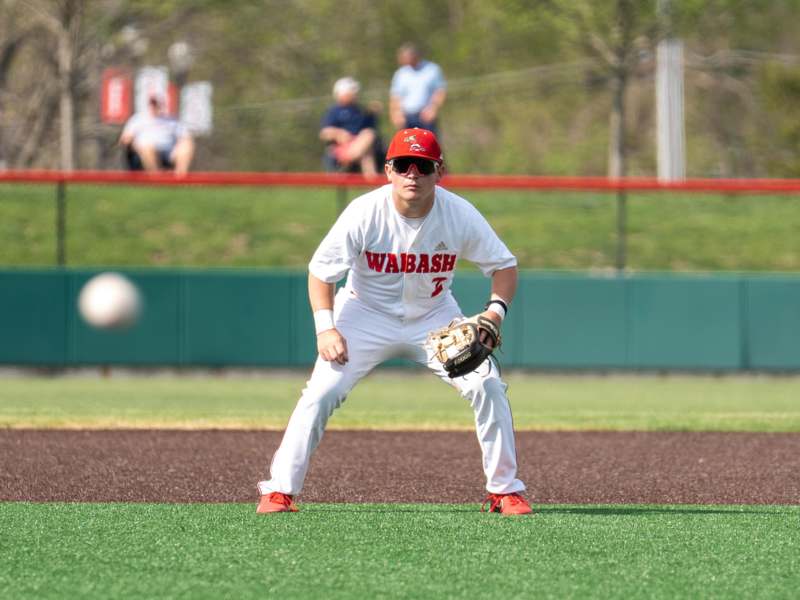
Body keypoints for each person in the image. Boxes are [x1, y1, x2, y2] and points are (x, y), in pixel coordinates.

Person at [256, 128, 532, 516]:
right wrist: (326, 328)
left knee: (486, 382)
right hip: (363, 313)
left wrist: (493, 313)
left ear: (439, 171)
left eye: (422, 166)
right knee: (322, 391)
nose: (412, 175)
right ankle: (278, 491)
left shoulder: (459, 213)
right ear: (388, 170)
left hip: (435, 317)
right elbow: (321, 273)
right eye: (403, 165)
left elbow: (503, 265)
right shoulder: (364, 213)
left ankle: (505, 491)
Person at [319, 77, 383, 176]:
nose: (355, 94)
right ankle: (370, 178)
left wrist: (374, 113)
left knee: (368, 139)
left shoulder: (361, 111)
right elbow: (324, 133)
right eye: (352, 91)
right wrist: (339, 133)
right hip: (341, 147)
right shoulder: (334, 111)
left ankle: (370, 179)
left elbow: (371, 129)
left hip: (359, 146)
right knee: (367, 148)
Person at [119, 94, 195, 175]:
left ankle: (180, 178)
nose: (154, 107)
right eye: (152, 104)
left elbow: (186, 137)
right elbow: (125, 138)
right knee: (147, 147)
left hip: (169, 152)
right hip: (145, 150)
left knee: (187, 145)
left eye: (157, 104)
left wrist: (184, 143)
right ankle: (157, 178)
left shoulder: (172, 119)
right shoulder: (138, 119)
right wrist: (134, 145)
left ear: (162, 105)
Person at [389, 43, 447, 135]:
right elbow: (395, 96)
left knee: (429, 147)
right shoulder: (400, 74)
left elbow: (440, 91)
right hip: (407, 117)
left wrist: (433, 108)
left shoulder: (432, 70)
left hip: (426, 115)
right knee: (407, 147)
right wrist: (396, 114)